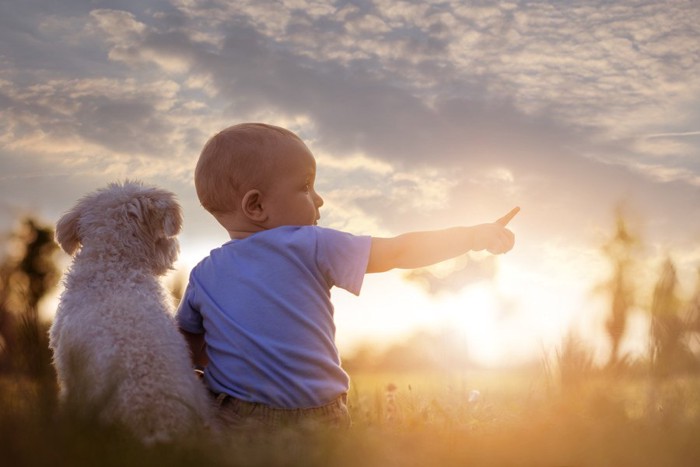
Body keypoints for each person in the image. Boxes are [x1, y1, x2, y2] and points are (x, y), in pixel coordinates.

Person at [176, 122, 518, 431]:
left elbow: (186, 347)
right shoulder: (309, 243)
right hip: (319, 415)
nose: (319, 198)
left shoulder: (204, 274)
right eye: (306, 186)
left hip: (235, 417)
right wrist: (471, 236)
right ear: (256, 206)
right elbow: (400, 251)